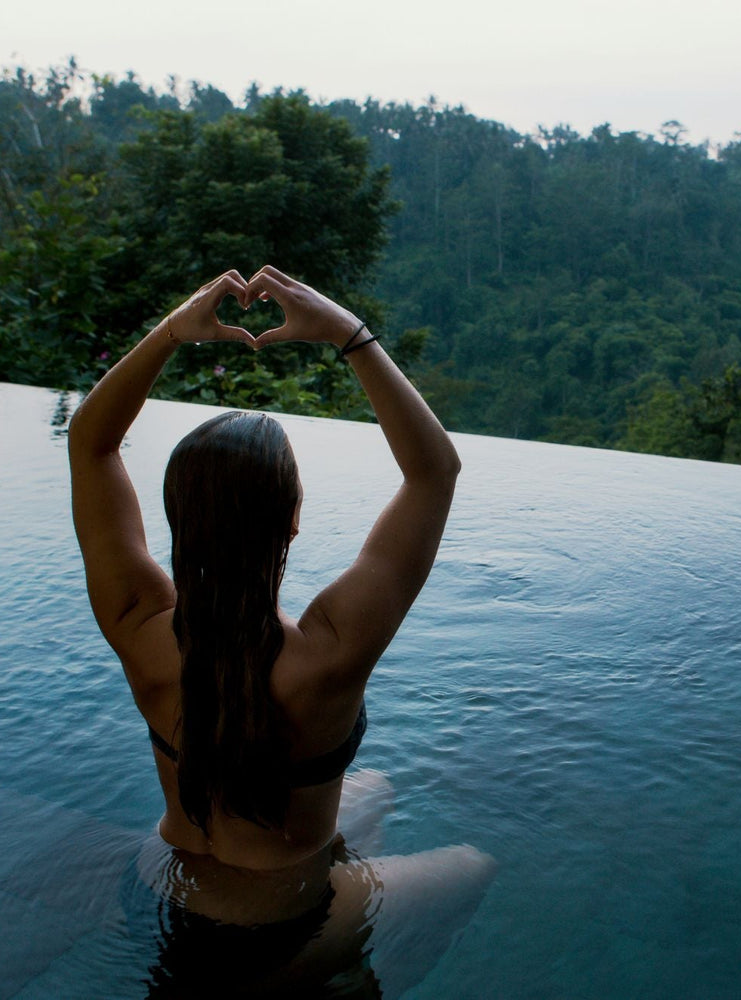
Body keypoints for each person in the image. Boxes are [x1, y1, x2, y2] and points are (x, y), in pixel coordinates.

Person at [69, 267, 495, 997]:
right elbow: (434, 473)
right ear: (292, 521)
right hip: (277, 928)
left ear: (178, 521)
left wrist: (173, 331)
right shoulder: (329, 651)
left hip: (159, 885)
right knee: (474, 867)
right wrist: (347, 333)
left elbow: (91, 443)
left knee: (377, 790)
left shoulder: (139, 625)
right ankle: (318, 975)